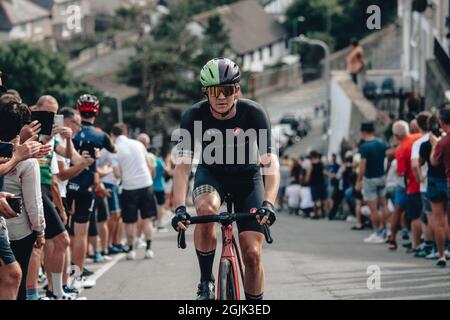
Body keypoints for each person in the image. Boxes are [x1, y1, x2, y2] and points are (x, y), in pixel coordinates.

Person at [171, 58, 279, 300]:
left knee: (252, 253)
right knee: (205, 211)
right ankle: (205, 281)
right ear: (205, 93)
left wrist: (269, 204)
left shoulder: (254, 113)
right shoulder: (193, 116)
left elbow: (271, 165)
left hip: (247, 179)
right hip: (212, 175)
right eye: (214, 91)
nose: (221, 97)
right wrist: (179, 208)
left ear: (237, 90)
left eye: (227, 90)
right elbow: (182, 167)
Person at [67, 94, 116, 290]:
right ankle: (76, 275)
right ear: (96, 111)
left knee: (63, 235)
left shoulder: (71, 131)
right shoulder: (99, 134)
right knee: (81, 234)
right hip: (86, 186)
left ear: (78, 109)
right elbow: (113, 151)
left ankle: (62, 276)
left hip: (66, 183)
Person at [110, 123, 157, 260]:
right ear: (125, 132)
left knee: (130, 221)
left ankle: (131, 250)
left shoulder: (114, 149)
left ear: (113, 135)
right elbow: (148, 164)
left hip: (129, 187)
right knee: (147, 219)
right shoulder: (138, 144)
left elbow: (117, 174)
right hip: (146, 183)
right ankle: (148, 249)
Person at [387, 121, 422, 251]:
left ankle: (394, 239)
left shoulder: (401, 149)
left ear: (395, 135)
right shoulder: (419, 137)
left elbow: (401, 172)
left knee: (402, 211)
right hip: (424, 181)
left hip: (409, 184)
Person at [355, 122, 388, 243]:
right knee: (384, 205)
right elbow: (387, 158)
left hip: (370, 179)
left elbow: (363, 166)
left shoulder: (365, 147)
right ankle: (385, 229)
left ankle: (378, 232)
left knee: (373, 209)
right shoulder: (381, 143)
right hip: (381, 176)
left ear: (363, 132)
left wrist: (358, 181)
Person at [411, 112, 433, 258]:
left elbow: (414, 164)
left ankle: (429, 245)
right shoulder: (440, 138)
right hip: (442, 180)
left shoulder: (419, 143)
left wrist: (419, 178)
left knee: (427, 217)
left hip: (426, 184)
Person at [430, 105, 450, 267]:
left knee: (439, 221)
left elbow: (434, 161)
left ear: (442, 122)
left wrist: (434, 145)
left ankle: (441, 255)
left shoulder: (442, 142)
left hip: (440, 182)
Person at [306, 151, 327, 219]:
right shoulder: (321, 163)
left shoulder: (311, 164)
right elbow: (323, 172)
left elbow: (308, 174)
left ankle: (316, 214)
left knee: (314, 200)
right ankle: (323, 212)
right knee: (322, 199)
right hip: (321, 182)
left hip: (313, 183)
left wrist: (307, 180)